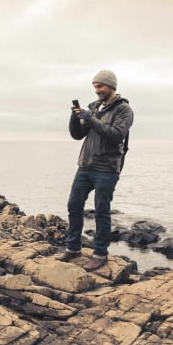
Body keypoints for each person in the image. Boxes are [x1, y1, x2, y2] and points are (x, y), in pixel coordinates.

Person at [60, 70, 134, 271]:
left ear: (111, 86)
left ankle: (100, 254)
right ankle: (73, 248)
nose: (97, 90)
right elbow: (78, 135)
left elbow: (116, 135)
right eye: (94, 87)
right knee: (73, 205)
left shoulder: (124, 110)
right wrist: (75, 118)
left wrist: (91, 119)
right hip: (85, 166)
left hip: (107, 169)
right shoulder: (93, 107)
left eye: (100, 86)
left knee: (102, 211)